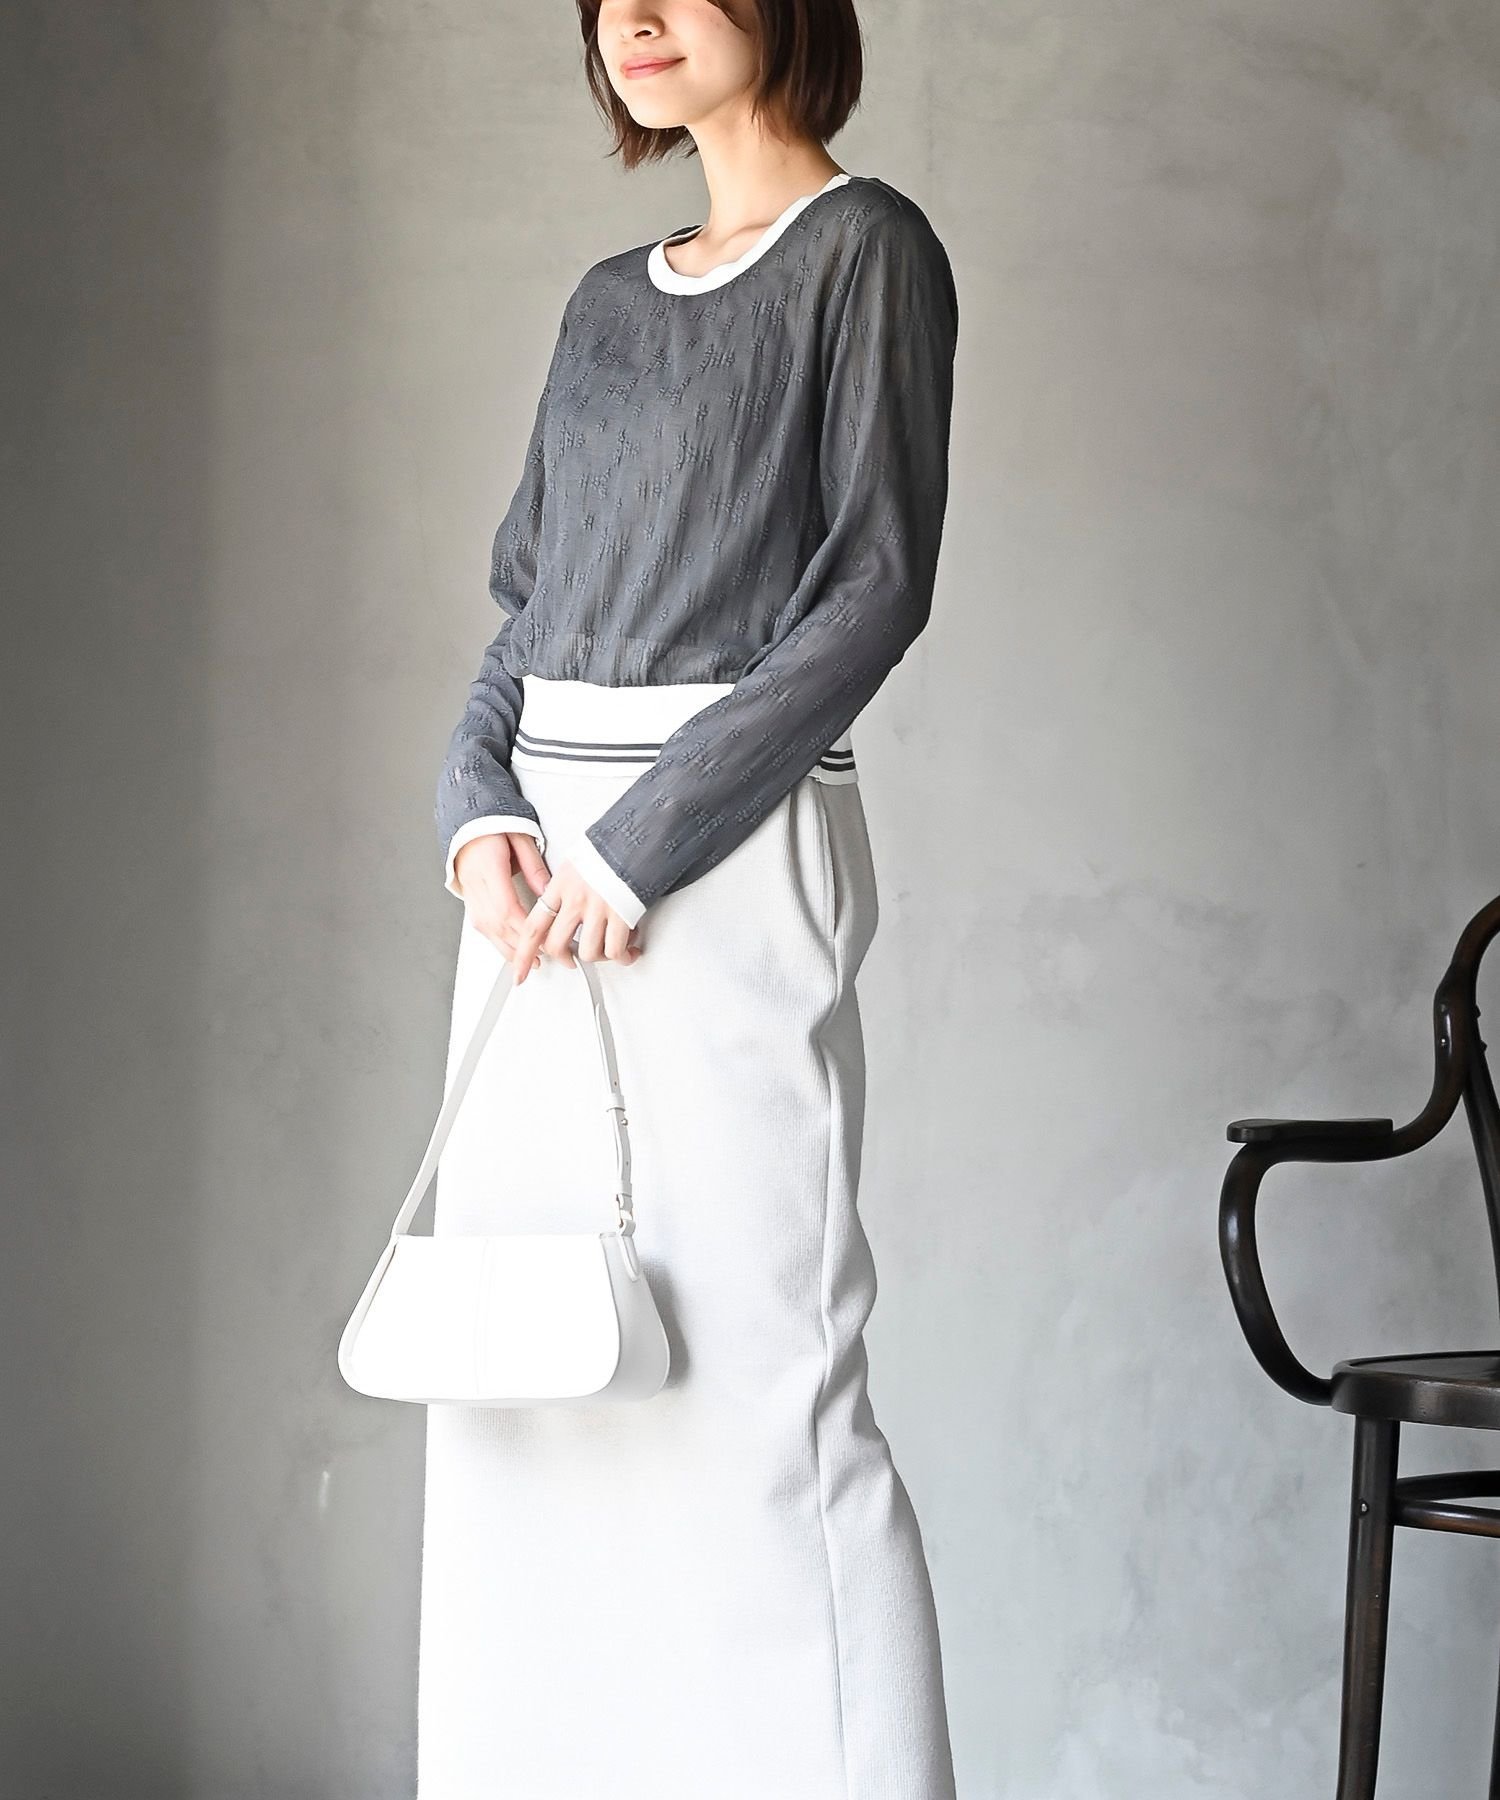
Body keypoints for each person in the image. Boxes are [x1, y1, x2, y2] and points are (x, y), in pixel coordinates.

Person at [420, 0, 960, 1794]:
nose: (631, 18)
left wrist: (640, 842)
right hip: (528, 887)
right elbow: (526, 610)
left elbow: (873, 590)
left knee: (760, 1375)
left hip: (713, 861)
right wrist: (474, 814)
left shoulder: (868, 252)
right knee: (524, 1383)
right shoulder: (601, 303)